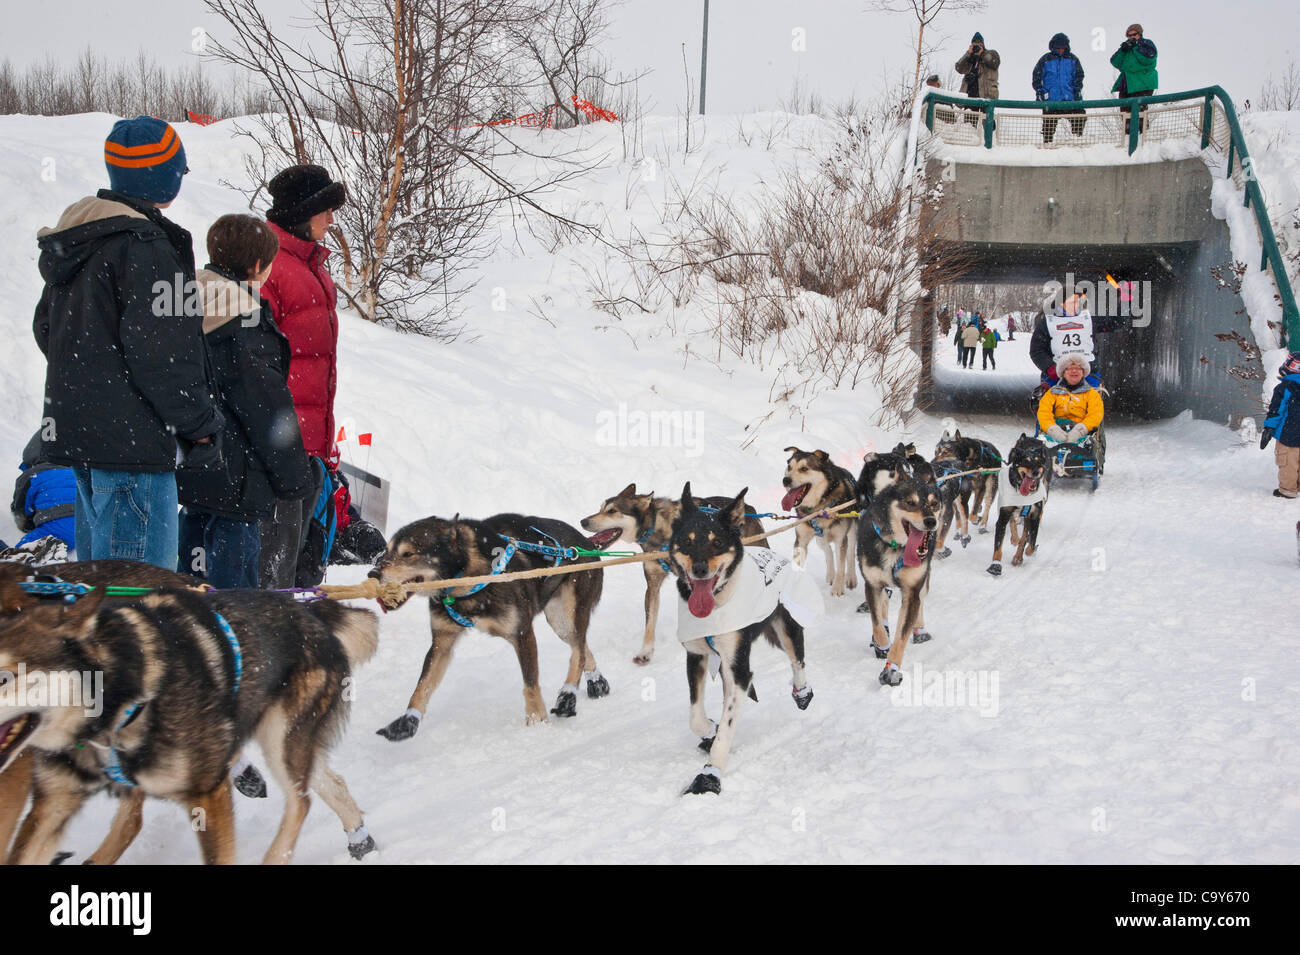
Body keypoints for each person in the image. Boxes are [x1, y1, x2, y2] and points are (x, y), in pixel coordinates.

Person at [33, 116, 223, 570]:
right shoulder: (148, 247)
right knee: (137, 604)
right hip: (132, 451)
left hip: (87, 442)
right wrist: (200, 424)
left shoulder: (82, 239)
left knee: (100, 595)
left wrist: (97, 385)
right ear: (167, 177)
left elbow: (48, 329)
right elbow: (164, 356)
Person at [176, 215, 313, 588]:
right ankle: (236, 641)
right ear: (257, 266)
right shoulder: (245, 321)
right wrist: (295, 478)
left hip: (193, 463)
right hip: (238, 479)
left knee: (190, 581)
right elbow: (266, 407)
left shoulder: (183, 302)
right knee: (235, 596)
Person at [259, 164, 348, 589]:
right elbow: (252, 358)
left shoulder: (314, 266)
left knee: (299, 554)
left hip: (310, 438)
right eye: (325, 210)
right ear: (302, 211)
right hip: (278, 439)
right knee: (273, 557)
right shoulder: (270, 266)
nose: (331, 220)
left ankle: (291, 635)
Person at [10, 430, 75, 552]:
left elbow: (21, 512)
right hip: (89, 530)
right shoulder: (78, 473)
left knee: (20, 554)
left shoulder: (32, 475)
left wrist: (30, 525)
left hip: (58, 530)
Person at [1038, 353, 1104, 444]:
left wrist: (1081, 430)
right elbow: (1044, 413)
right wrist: (1052, 429)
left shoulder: (1092, 394)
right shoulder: (1052, 393)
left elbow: (1095, 415)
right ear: (1063, 373)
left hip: (1083, 436)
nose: (1074, 371)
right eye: (1069, 369)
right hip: (1054, 436)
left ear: (1083, 372)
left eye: (1078, 368)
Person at [1033, 33, 1086, 143]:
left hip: (1069, 100)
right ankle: (1047, 146)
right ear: (1053, 47)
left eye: (1063, 47)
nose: (1060, 50)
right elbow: (1036, 76)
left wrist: (1077, 89)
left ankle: (1077, 142)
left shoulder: (1073, 59)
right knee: (1048, 129)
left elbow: (1079, 75)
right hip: (1051, 101)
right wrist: (1039, 91)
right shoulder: (1045, 59)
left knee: (1080, 117)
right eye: (1058, 47)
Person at [1261, 351, 1300, 498]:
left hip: (1288, 433)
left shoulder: (1284, 388)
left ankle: (1288, 490)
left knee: (1288, 463)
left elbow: (1276, 411)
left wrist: (1269, 428)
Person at [1110, 24, 1158, 136]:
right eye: (1129, 35)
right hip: (1127, 83)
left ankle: (1142, 137)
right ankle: (1128, 137)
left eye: (1134, 34)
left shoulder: (1146, 44)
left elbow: (1149, 59)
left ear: (1140, 34)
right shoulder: (1127, 47)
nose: (1132, 37)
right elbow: (1114, 61)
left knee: (1140, 111)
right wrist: (1123, 50)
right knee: (1125, 112)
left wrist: (1136, 47)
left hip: (1143, 83)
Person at [955, 32, 1000, 127]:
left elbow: (995, 62)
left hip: (986, 95)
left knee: (988, 125)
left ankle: (990, 140)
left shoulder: (991, 54)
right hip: (970, 95)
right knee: (969, 127)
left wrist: (982, 53)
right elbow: (959, 68)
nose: (977, 46)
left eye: (979, 44)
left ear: (983, 44)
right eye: (974, 44)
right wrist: (968, 53)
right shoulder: (970, 58)